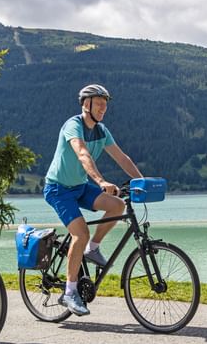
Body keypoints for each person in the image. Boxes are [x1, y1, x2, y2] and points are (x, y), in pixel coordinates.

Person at [43, 84, 144, 316]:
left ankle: (93, 249)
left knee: (118, 206)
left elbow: (122, 157)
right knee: (80, 233)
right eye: (99, 103)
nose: (103, 108)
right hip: (58, 189)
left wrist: (142, 182)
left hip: (79, 186)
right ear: (85, 104)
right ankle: (69, 292)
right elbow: (82, 154)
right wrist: (100, 181)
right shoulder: (73, 125)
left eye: (105, 104)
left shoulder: (102, 130)